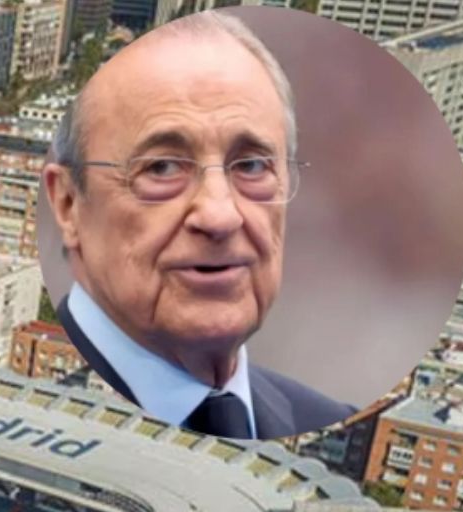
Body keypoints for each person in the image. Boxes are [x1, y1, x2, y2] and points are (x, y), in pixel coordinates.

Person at [42, 11, 355, 440]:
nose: (220, 215)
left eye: (251, 165)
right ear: (69, 203)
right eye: (163, 167)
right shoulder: (38, 406)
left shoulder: (322, 416)